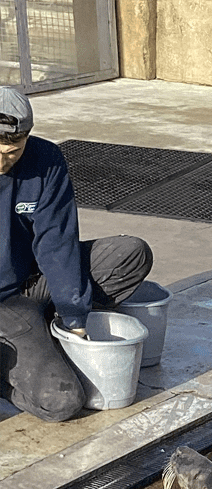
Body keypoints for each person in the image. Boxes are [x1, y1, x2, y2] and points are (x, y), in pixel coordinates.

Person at [0, 86, 153, 421]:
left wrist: (75, 317)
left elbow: (57, 242)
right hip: (4, 306)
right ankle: (9, 363)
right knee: (62, 402)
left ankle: (49, 328)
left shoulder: (45, 160)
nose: (2, 161)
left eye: (12, 152)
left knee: (131, 254)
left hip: (32, 280)